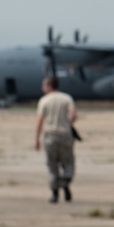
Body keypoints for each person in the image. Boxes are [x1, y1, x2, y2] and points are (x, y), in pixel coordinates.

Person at [34, 74, 79, 202]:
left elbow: (39, 121)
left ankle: (55, 194)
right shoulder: (67, 98)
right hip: (65, 135)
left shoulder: (44, 100)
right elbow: (73, 115)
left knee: (52, 166)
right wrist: (67, 122)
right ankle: (65, 181)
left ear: (49, 86)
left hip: (50, 137)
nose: (43, 87)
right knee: (68, 163)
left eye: (44, 85)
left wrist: (36, 139)